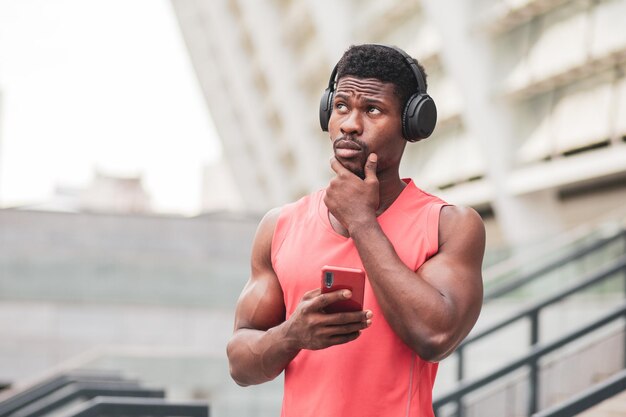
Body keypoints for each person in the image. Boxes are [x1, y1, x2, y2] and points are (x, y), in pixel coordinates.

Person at [226, 44, 485, 417]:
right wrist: (292, 335)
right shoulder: (279, 225)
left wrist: (362, 221)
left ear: (413, 124)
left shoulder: (449, 225)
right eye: (342, 106)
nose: (349, 124)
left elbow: (435, 336)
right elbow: (240, 364)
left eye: (373, 110)